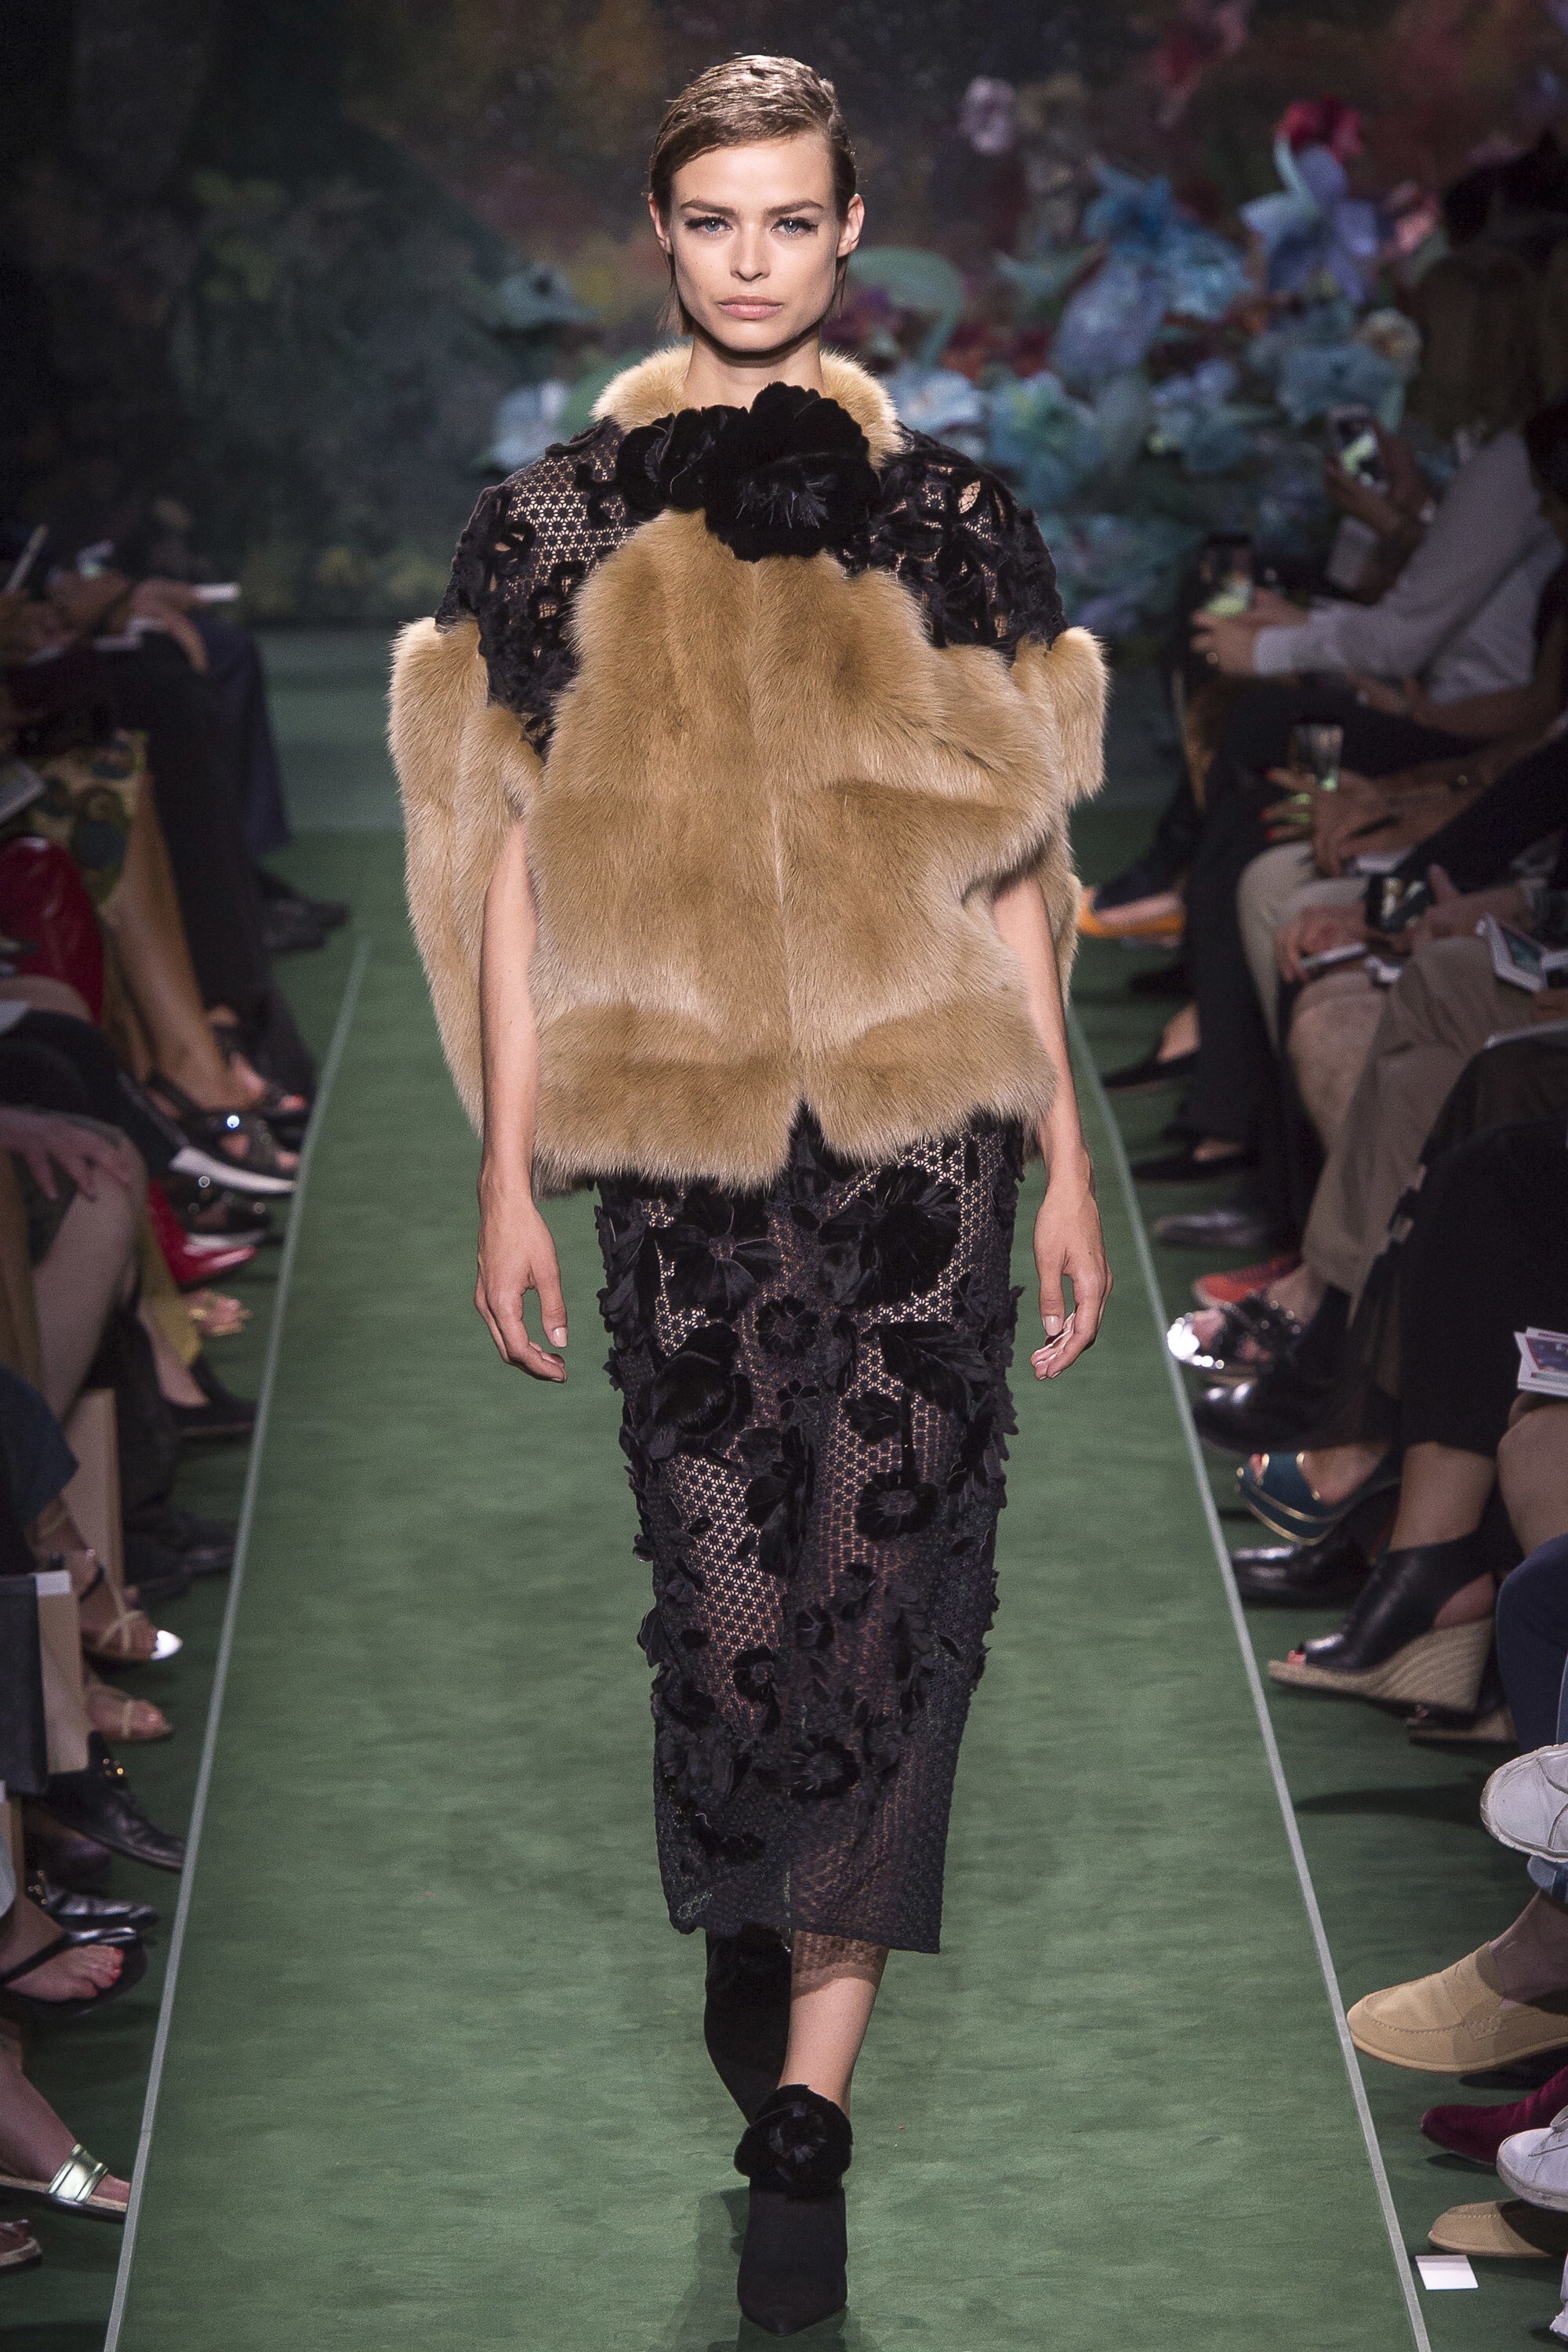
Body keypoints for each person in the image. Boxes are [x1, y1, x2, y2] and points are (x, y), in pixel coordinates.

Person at [390, 53, 1109, 2338]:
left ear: (852, 228)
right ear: (664, 233)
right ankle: (763, 1901)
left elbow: (1018, 868)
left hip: (926, 1149)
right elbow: (507, 874)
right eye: (716, 219)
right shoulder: (551, 528)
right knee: (728, 1619)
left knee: (886, 1602)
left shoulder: (954, 519)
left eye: (794, 218)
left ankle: (811, 2104)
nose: (755, 258)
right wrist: (504, 1171)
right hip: (684, 1157)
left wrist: (1067, 1161)